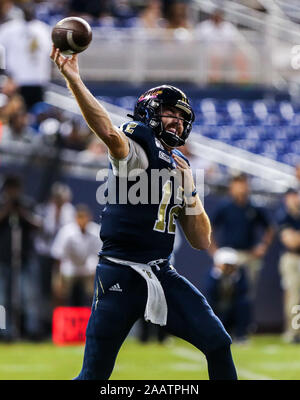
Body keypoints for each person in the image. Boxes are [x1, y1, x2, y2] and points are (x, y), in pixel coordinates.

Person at [50, 45, 237, 380]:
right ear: (150, 110)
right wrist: (74, 79)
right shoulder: (137, 143)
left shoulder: (180, 164)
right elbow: (108, 133)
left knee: (218, 343)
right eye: (171, 114)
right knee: (93, 374)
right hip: (118, 274)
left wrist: (190, 191)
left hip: (161, 273)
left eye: (182, 119)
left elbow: (201, 239)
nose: (178, 123)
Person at [210, 173, 274, 300]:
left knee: (248, 294)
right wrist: (214, 252)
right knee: (227, 292)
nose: (241, 187)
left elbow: (270, 227)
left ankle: (244, 319)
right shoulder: (225, 207)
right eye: (237, 184)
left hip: (250, 255)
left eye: (243, 183)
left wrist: (263, 246)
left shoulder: (254, 207)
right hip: (230, 255)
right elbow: (209, 228)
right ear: (231, 187)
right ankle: (225, 320)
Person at [0, 175, 41, 340]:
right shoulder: (2, 205)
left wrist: (21, 212)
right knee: (2, 298)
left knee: (28, 296)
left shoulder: (27, 204)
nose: (13, 193)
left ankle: (31, 330)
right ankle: (4, 331)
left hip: (25, 257)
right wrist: (7, 209)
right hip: (3, 258)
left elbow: (38, 225)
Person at [51, 204, 101, 307]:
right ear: (75, 218)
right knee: (59, 291)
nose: (82, 220)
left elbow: (101, 255)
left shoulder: (95, 231)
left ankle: (91, 317)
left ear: (89, 218)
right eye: (79, 217)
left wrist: (98, 275)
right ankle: (61, 317)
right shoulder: (66, 232)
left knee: (98, 292)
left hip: (88, 269)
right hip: (69, 269)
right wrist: (59, 279)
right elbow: (58, 255)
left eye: (84, 217)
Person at [205, 247, 251, 344]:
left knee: (244, 303)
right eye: (226, 265)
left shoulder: (239, 275)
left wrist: (234, 279)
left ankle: (240, 335)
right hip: (218, 311)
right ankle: (211, 334)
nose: (229, 267)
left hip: (232, 311)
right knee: (207, 305)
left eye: (231, 265)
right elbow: (209, 293)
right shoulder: (212, 275)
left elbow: (243, 291)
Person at [277, 188, 300, 343]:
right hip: (291, 259)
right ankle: (294, 332)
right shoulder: (284, 215)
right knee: (294, 297)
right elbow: (291, 242)